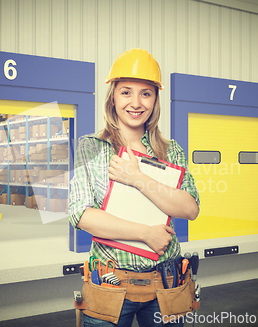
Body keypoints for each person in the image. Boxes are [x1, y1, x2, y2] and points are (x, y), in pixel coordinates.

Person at [69, 49, 200, 327]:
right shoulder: (91, 147)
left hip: (166, 283)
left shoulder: (171, 151)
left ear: (155, 100)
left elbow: (190, 208)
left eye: (146, 93)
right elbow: (81, 214)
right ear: (113, 97)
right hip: (110, 282)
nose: (136, 102)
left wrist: (137, 177)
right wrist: (146, 234)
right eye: (126, 92)